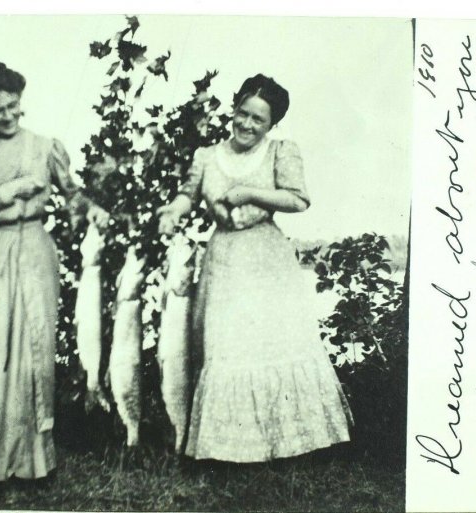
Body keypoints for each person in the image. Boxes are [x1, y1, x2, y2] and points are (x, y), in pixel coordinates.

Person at [157, 74, 352, 462]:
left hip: (267, 262)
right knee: (227, 346)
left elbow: (298, 200)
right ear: (233, 109)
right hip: (224, 261)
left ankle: (286, 446)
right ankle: (227, 449)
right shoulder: (206, 157)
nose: (247, 124)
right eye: (242, 114)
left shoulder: (282, 151)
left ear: (272, 124)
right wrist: (172, 211)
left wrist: (248, 192)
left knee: (273, 343)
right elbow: (187, 194)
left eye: (258, 120)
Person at [0, 60, 108, 481]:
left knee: (33, 348)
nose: (8, 116)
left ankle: (31, 459)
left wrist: (93, 212)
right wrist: (5, 192)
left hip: (35, 250)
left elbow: (72, 195)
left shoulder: (44, 146)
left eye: (13, 105)